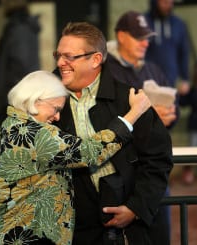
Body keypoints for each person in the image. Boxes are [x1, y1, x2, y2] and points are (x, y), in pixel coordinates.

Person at [0, 70, 152, 245]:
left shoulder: (11, 124)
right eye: (56, 109)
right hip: (31, 235)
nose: (57, 116)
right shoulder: (35, 133)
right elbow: (91, 152)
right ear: (36, 99)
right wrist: (134, 113)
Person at [53, 22, 173, 245]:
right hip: (65, 232)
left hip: (125, 232)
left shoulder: (129, 99)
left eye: (69, 56)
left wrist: (135, 208)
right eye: (58, 55)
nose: (61, 63)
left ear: (96, 59)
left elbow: (158, 159)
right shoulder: (44, 100)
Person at [106, 10, 177, 244]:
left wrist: (167, 116)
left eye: (147, 37)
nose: (145, 43)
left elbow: (171, 118)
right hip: (121, 167)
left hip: (151, 166)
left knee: (158, 234)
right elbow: (103, 119)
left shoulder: (154, 70)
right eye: (139, 37)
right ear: (121, 36)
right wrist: (148, 117)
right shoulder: (106, 70)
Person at [0, 0, 41, 148]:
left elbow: (21, 63)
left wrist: (12, 97)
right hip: (20, 94)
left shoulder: (19, 28)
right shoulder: (22, 27)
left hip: (15, 96)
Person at [145, 0, 190, 94]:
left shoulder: (178, 24)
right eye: (165, 2)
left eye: (171, 3)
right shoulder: (144, 21)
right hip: (147, 80)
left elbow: (184, 53)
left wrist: (185, 78)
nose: (168, 6)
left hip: (171, 80)